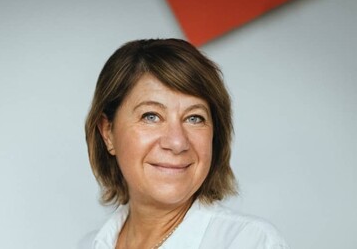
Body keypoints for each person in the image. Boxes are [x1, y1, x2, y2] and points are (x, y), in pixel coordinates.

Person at [84, 39, 289, 249]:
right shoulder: (91, 244)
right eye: (151, 116)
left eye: (194, 118)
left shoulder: (250, 242)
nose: (177, 142)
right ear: (108, 132)